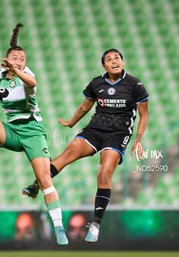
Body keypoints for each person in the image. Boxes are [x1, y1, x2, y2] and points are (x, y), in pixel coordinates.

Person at [22, 48, 149, 242]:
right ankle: (36, 184)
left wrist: (138, 140)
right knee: (66, 154)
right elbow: (85, 106)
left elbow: (144, 114)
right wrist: (71, 122)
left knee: (104, 173)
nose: (114, 61)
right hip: (94, 131)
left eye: (117, 58)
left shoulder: (134, 84)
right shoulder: (96, 83)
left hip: (118, 134)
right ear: (103, 65)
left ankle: (96, 224)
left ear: (122, 61)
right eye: (109, 59)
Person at [0, 23, 68, 246]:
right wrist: (10, 68)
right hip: (12, 131)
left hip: (33, 132)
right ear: (7, 59)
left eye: (23, 59)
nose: (20, 61)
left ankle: (58, 227)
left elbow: (32, 83)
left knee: (44, 179)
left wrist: (18, 70)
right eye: (15, 58)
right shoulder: (0, 74)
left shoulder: (27, 75)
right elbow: (6, 76)